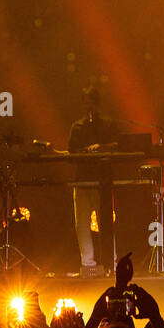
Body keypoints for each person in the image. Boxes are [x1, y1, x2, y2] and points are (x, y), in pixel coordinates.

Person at [69, 86, 118, 277]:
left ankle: (111, 264)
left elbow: (118, 144)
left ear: (97, 103)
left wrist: (102, 147)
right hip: (82, 179)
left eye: (92, 101)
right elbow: (72, 153)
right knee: (81, 223)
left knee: (105, 222)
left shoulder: (108, 123)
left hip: (102, 180)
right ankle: (88, 263)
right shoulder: (77, 126)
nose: (89, 105)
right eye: (86, 101)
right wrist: (84, 152)